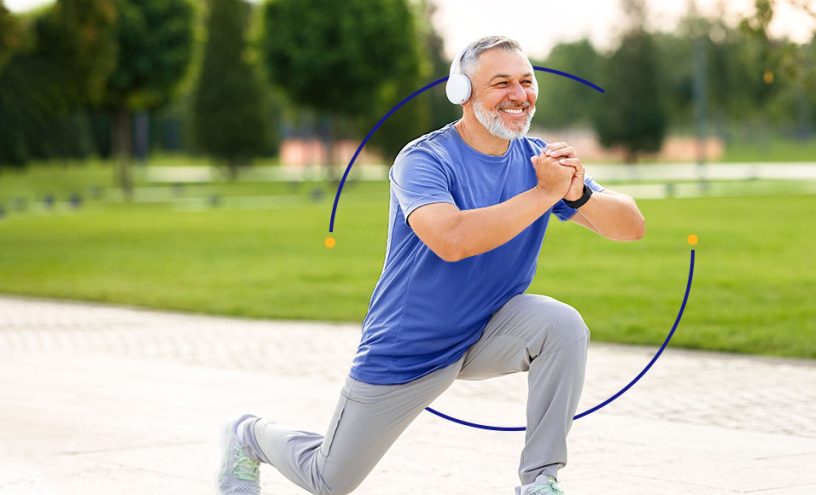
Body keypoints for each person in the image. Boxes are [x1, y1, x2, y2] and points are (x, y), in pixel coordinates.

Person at [217, 35, 645, 495]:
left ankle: (540, 482)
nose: (519, 95)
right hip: (411, 346)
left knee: (561, 325)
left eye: (526, 81)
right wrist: (545, 193)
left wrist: (575, 192)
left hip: (489, 329)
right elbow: (452, 239)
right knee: (330, 480)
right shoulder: (423, 159)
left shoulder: (538, 161)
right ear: (462, 92)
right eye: (502, 83)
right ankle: (248, 434)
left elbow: (631, 226)